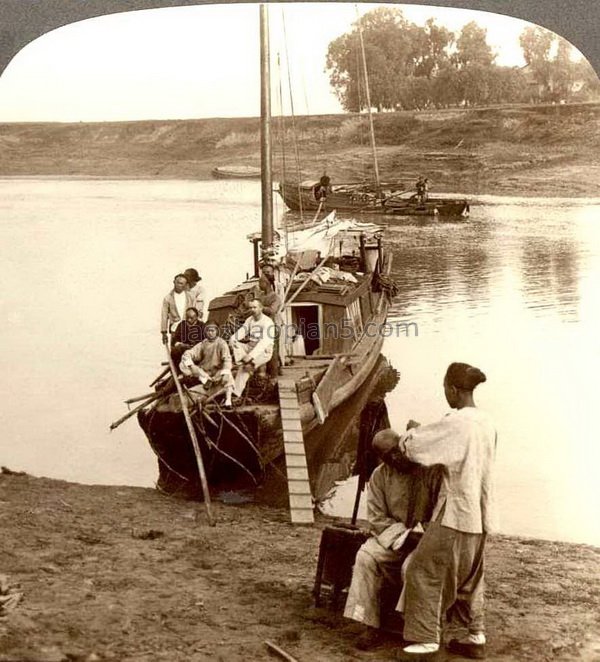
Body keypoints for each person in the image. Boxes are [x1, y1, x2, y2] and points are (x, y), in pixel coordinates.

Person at [381, 362, 496, 661]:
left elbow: (415, 447)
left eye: (445, 389)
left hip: (455, 513)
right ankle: (475, 635)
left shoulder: (457, 422)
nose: (445, 394)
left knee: (423, 571)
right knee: (469, 577)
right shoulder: (487, 422)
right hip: (481, 515)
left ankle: (425, 642)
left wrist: (410, 433)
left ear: (453, 390)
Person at [344, 430, 443, 650]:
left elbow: (442, 510)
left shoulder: (430, 470)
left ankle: (414, 628)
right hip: (396, 539)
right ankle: (370, 623)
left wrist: (426, 535)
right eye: (389, 456)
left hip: (427, 540)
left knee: (413, 566)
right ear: (383, 458)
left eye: (397, 451)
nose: (396, 458)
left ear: (404, 444)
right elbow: (377, 518)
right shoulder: (380, 476)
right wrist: (404, 536)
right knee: (366, 556)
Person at [179, 321, 234, 408]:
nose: (210, 333)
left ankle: (228, 400)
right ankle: (204, 380)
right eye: (208, 330)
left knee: (229, 375)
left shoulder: (222, 343)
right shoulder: (203, 343)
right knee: (183, 363)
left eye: (212, 330)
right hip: (204, 372)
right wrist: (192, 366)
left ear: (217, 331)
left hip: (217, 372)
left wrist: (225, 373)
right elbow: (188, 353)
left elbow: (227, 359)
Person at [229, 299, 275, 398]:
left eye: (255, 307)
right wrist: (232, 339)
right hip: (250, 346)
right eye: (250, 308)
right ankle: (241, 361)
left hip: (264, 351)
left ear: (261, 308)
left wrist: (250, 356)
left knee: (245, 368)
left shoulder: (267, 322)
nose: (252, 310)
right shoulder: (250, 319)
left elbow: (264, 343)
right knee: (235, 343)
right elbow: (242, 331)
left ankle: (235, 393)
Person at [161, 274, 193, 345]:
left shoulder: (190, 297)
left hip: (189, 329)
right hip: (174, 329)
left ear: (185, 285)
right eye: (178, 283)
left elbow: (194, 312)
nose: (179, 285)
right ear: (174, 282)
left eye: (182, 284)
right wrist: (164, 333)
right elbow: (164, 316)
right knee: (175, 352)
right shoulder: (167, 298)